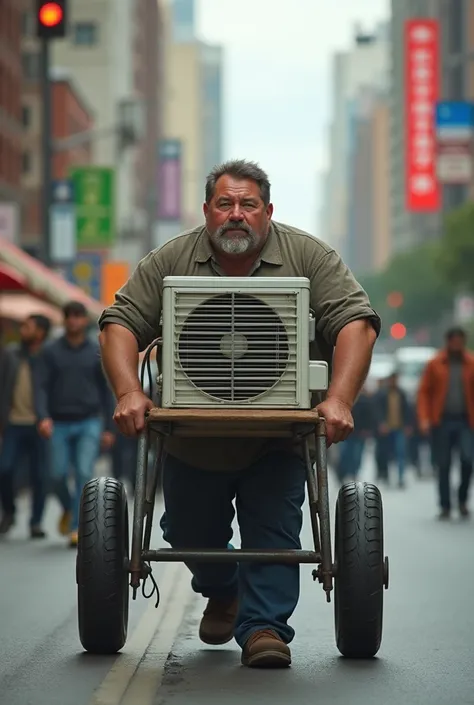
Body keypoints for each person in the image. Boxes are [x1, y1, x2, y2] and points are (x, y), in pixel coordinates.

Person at [98, 159, 381, 668]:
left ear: (267, 212)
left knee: (274, 528)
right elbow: (120, 322)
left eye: (248, 205)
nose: (236, 215)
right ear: (206, 211)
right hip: (192, 434)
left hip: (278, 434)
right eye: (224, 204)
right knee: (186, 530)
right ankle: (223, 591)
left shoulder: (308, 256)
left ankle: (265, 629)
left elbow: (355, 321)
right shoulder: (171, 258)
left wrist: (338, 398)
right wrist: (127, 392)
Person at [34, 301, 116, 547]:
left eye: (78, 316)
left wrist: (109, 427)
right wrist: (42, 416)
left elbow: (106, 390)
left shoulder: (95, 350)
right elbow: (41, 387)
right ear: (64, 319)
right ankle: (70, 508)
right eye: (69, 316)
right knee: (56, 475)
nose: (73, 321)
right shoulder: (50, 351)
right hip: (58, 421)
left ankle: (76, 528)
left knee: (83, 472)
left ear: (84, 320)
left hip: (89, 421)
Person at [0, 315, 51, 537]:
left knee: (40, 475)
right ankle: (9, 512)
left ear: (40, 332)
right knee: (5, 468)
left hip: (41, 424)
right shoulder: (11, 354)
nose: (23, 330)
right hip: (13, 422)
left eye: (28, 327)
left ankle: (36, 522)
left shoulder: (48, 356)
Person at [417, 327, 474, 519]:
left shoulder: (471, 363)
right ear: (448, 342)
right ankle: (445, 505)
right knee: (444, 464)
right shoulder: (435, 364)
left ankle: (462, 499)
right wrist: (424, 418)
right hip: (441, 421)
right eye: (454, 341)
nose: (458, 344)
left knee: (467, 460)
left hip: (466, 421)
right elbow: (424, 392)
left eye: (461, 341)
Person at [373, 371, 411, 488]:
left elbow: (407, 410)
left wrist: (408, 425)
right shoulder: (382, 394)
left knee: (401, 453)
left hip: (399, 428)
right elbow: (377, 411)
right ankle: (386, 475)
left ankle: (400, 478)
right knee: (386, 454)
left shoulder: (402, 394)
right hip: (387, 429)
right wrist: (381, 424)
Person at [336, 384, 374, 484]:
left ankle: (349, 473)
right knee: (352, 455)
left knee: (351, 454)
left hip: (353, 431)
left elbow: (369, 416)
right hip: (352, 432)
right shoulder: (364, 400)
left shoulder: (353, 400)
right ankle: (349, 473)